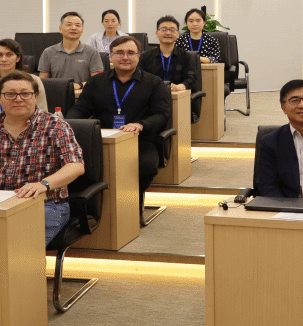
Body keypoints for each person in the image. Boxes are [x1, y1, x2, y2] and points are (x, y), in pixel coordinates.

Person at [0, 70, 87, 245]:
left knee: (15, 245)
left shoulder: (56, 126)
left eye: (25, 94)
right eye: (10, 94)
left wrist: (43, 184)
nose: (18, 99)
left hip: (46, 205)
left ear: (35, 96)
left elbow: (75, 165)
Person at [71, 36, 172, 211]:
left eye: (130, 53)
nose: (125, 57)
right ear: (110, 56)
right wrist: (68, 123)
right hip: (102, 141)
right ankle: (98, 207)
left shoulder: (154, 83)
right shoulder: (96, 82)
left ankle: (130, 205)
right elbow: (81, 108)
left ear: (138, 56)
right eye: (119, 53)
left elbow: (162, 115)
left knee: (145, 167)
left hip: (140, 140)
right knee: (78, 165)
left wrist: (140, 125)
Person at [38, 12, 105, 98]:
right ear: (60, 29)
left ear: (82, 30)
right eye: (69, 24)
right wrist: (66, 87)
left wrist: (79, 85)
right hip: (56, 96)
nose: (73, 28)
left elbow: (97, 81)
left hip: (83, 97)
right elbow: (42, 81)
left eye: (78, 25)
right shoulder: (48, 52)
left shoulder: (92, 52)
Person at [0, 38, 48, 117]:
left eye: (9, 55)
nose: (3, 59)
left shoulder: (34, 80)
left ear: (18, 58)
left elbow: (42, 112)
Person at [141, 15, 197, 93]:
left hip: (178, 95)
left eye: (172, 30)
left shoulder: (187, 56)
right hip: (152, 95)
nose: (168, 33)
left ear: (178, 34)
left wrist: (180, 86)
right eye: (163, 29)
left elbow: (191, 79)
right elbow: (141, 79)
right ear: (157, 33)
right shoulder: (145, 57)